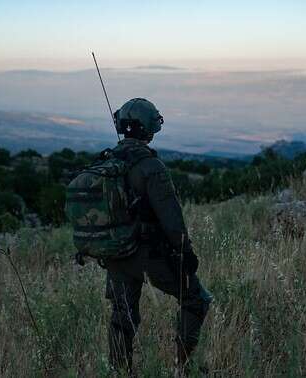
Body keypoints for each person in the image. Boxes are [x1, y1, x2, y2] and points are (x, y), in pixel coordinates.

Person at [104, 98, 212, 375]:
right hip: (147, 255)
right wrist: (186, 254)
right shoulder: (152, 167)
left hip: (115, 254)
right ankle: (182, 368)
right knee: (196, 300)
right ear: (149, 129)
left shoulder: (107, 161)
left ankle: (119, 372)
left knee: (122, 318)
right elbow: (172, 220)